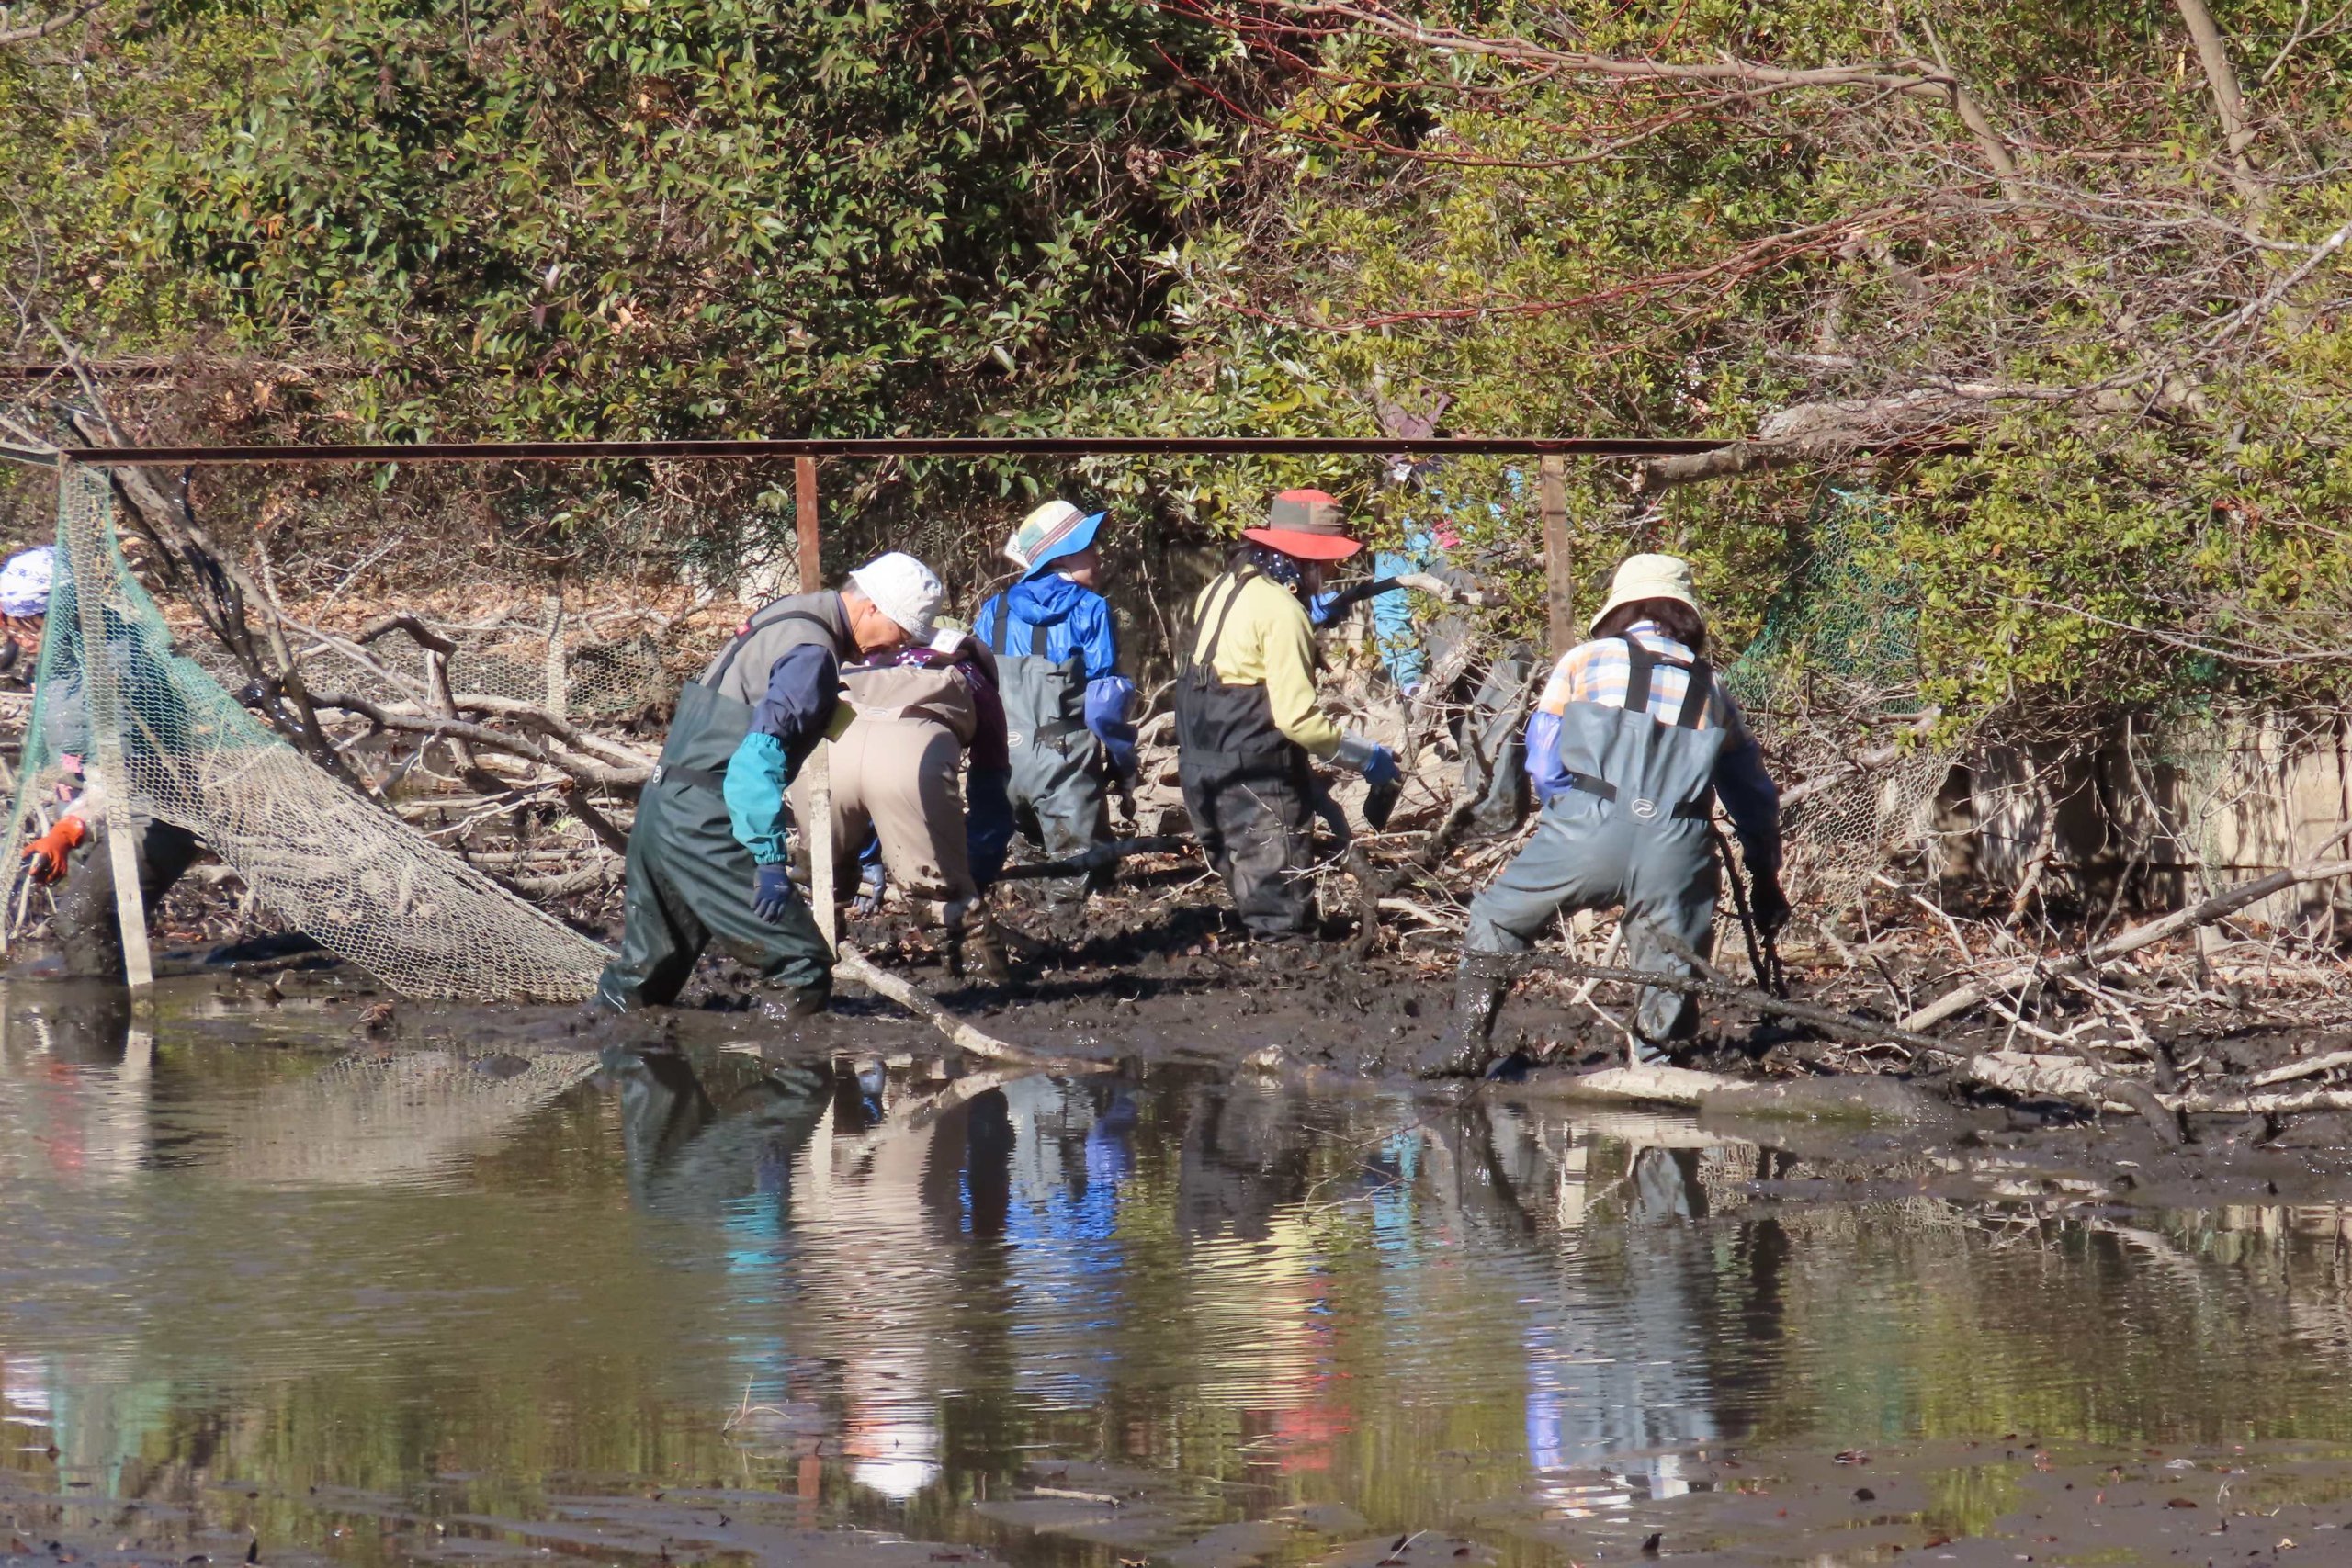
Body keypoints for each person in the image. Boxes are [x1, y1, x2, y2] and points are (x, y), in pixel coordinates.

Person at [1420, 553, 1785, 1077]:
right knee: (1671, 968)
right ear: (1687, 616)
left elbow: (1543, 762)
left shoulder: (1583, 661)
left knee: (1497, 917)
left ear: (1621, 609)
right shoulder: (1714, 689)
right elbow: (1753, 797)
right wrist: (1764, 873)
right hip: (1677, 844)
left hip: (1586, 824)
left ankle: (1465, 1044)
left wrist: (1572, 815)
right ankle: (1658, 1069)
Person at [594, 552, 942, 1015]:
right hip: (709, 820)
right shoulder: (811, 654)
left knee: (644, 976)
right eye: (900, 634)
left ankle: (609, 1052)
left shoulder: (787, 615)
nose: (896, 650)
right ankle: (792, 1076)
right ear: (872, 607)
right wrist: (770, 861)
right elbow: (754, 764)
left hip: (662, 808)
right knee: (801, 964)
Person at [1174, 490, 1401, 940]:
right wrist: (1366, 756)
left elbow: (1241, 655)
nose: (1335, 569)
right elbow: (1298, 721)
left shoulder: (1220, 588)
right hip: (1257, 777)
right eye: (1330, 560)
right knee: (1281, 921)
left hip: (1200, 768)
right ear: (1307, 558)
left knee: (1247, 893)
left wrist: (1308, 613)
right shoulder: (1281, 611)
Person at [6, 546, 208, 983]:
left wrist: (68, 830)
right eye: (10, 618)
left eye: (28, 619)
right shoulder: (54, 661)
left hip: (149, 819)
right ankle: (116, 1035)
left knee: (80, 921)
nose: (19, 633)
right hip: (90, 822)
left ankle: (91, 1038)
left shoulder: (116, 667)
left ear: (64, 612)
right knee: (100, 933)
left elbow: (121, 776)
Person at [787, 625, 1011, 980]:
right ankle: (986, 980)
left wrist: (866, 855)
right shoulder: (974, 678)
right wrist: (972, 874)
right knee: (944, 898)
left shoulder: (863, 657)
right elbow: (990, 793)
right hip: (912, 756)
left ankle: (803, 975)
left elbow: (863, 762)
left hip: (825, 753)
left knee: (820, 883)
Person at [972, 500, 1136, 906]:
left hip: (1001, 765)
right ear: (1062, 556)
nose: (1099, 556)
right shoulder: (1090, 609)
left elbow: (971, 687)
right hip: (1063, 764)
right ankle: (1076, 954)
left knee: (1024, 874)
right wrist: (1123, 759)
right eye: (1090, 547)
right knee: (1075, 881)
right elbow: (1103, 704)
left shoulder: (995, 609)